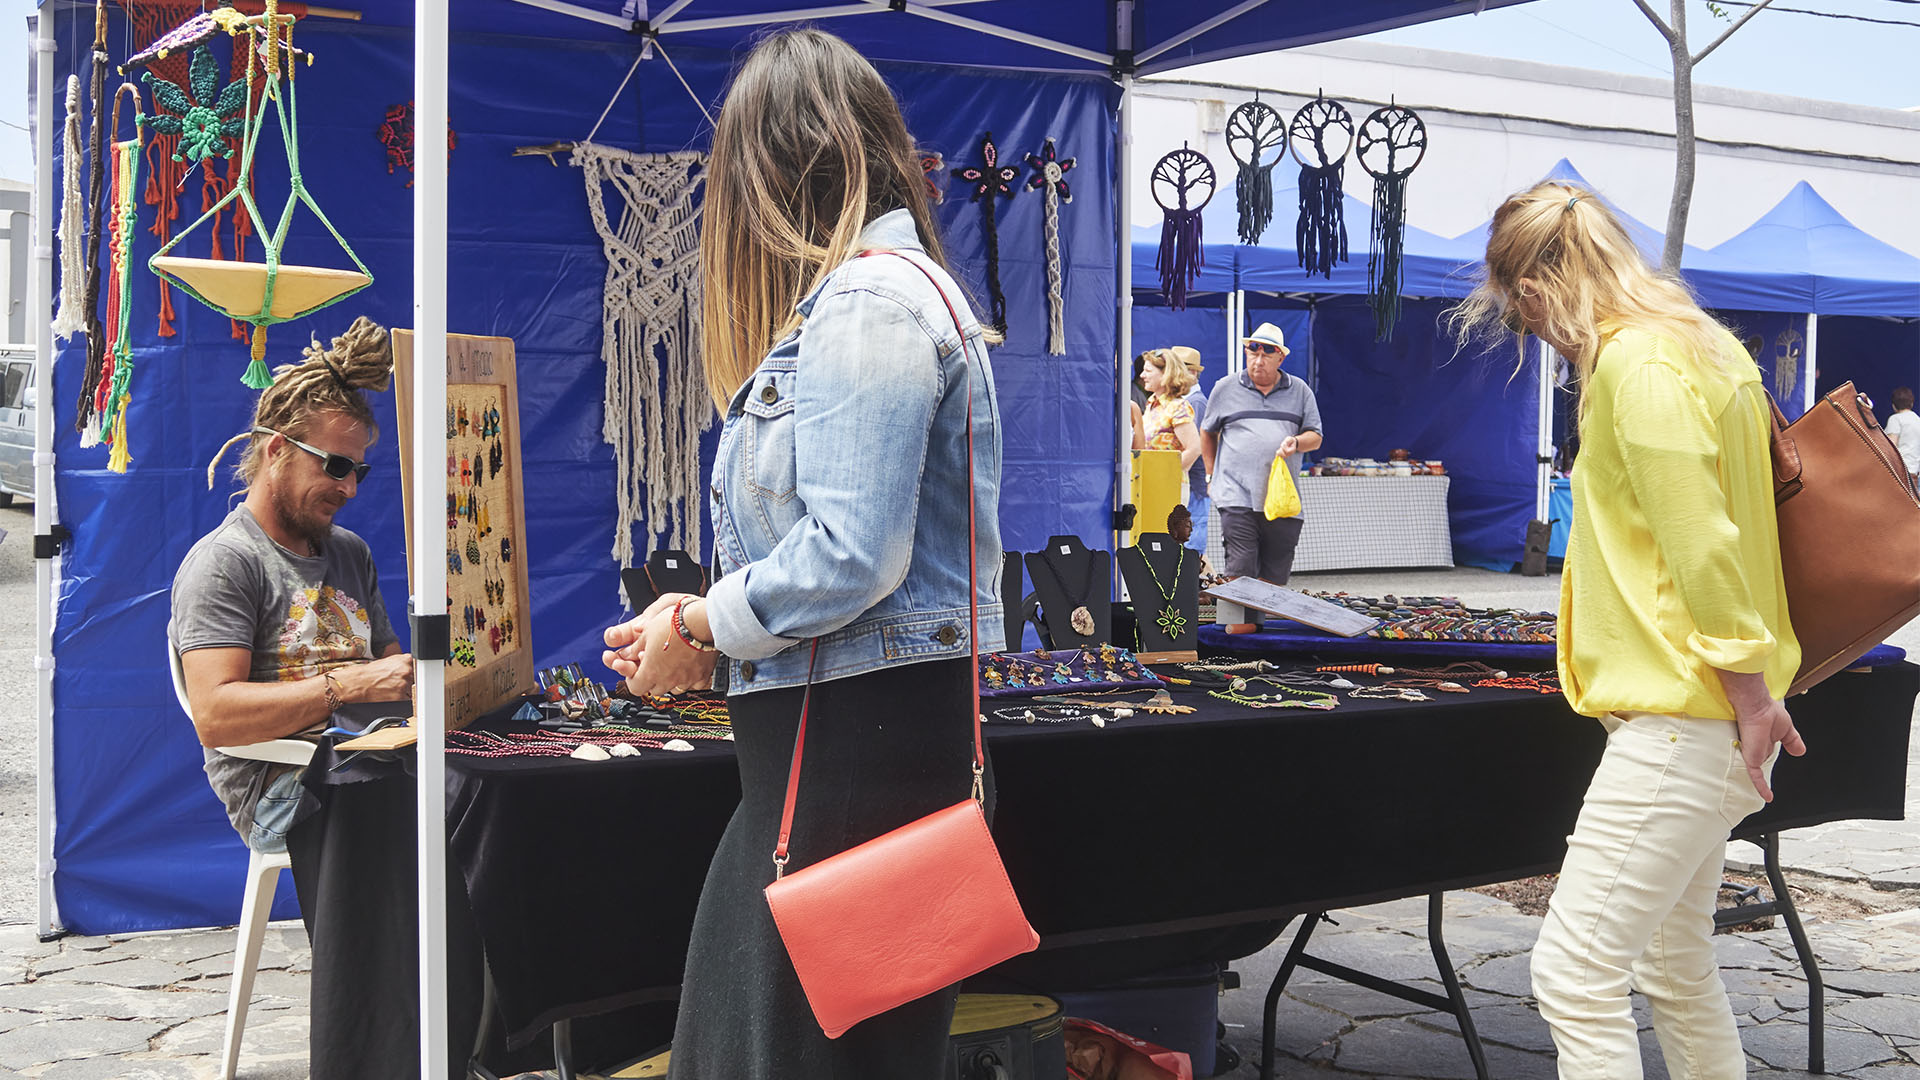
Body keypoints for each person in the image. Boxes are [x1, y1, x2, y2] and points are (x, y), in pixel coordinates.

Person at [598, 28, 1003, 1080]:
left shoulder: (868, 300)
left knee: (792, 1059)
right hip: (845, 753)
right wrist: (709, 622)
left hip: (851, 764)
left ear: (771, 170)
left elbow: (848, 558)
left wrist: (697, 623)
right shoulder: (889, 292)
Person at [1454, 182, 1804, 1078]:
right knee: (1672, 964)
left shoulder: (1637, 361)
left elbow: (1701, 541)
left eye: (1521, 314)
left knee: (1573, 972)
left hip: (1685, 713)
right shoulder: (1704, 345)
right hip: (1703, 713)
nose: (1534, 334)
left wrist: (1749, 691)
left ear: (1534, 290)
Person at [169, 317, 413, 855]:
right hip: (281, 789)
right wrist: (347, 688)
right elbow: (214, 716)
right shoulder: (226, 561)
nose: (348, 487)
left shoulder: (349, 551)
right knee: (442, 814)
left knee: (493, 783)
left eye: (359, 472)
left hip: (366, 758)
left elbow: (391, 673)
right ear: (277, 450)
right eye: (336, 466)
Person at [1199, 322, 1322, 587]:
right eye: (1253, 351)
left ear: (1281, 356)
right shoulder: (1226, 387)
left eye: (1267, 352)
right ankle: (1239, 624)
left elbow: (1316, 437)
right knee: (1239, 567)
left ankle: (1261, 624)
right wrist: (1211, 475)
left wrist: (1296, 442)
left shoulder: (1300, 390)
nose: (1259, 359)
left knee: (1275, 574)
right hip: (1235, 493)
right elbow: (1207, 432)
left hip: (1281, 498)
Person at [1885, 386, 1919, 491]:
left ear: (1893, 406)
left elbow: (1891, 446)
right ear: (1912, 403)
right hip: (1915, 474)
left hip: (1900, 474)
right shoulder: (1918, 420)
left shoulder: (1895, 419)